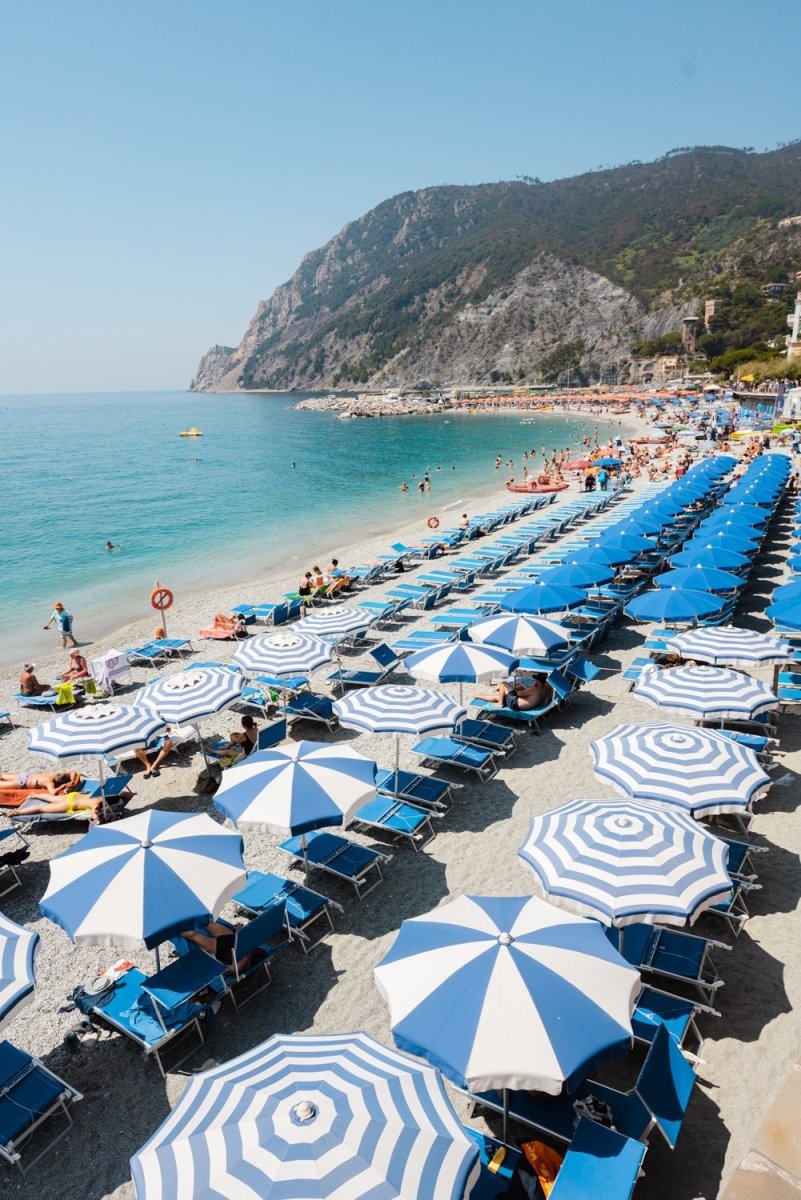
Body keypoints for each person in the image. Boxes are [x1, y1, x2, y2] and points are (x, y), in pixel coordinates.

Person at [14, 791, 105, 823]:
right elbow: (95, 816)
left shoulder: (101, 795)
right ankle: (17, 812)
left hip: (74, 795)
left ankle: (35, 795)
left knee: (52, 798)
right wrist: (98, 818)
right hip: (69, 804)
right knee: (41, 808)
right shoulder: (95, 805)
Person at [479, 675, 552, 711]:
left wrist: (519, 687)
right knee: (500, 696)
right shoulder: (544, 689)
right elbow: (533, 695)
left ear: (537, 681)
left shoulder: (534, 689)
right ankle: (479, 695)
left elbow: (519, 694)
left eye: (535, 680)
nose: (533, 681)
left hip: (514, 704)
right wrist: (523, 687)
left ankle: (499, 704)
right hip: (527, 705)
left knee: (503, 683)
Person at [0, 770, 81, 793]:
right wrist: (63, 786)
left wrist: (72, 778)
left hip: (26, 775)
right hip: (23, 782)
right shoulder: (50, 783)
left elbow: (72, 772)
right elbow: (53, 792)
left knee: (2, 775)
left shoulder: (54, 773)